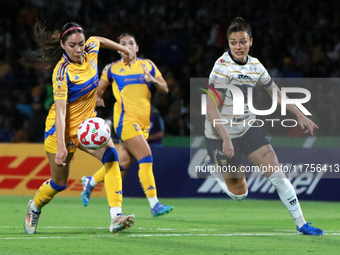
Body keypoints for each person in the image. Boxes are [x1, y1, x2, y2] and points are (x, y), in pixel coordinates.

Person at [204, 17, 324, 235]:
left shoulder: (255, 65)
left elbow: (276, 93)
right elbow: (210, 107)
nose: (237, 47)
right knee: (240, 194)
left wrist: (300, 114)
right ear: (228, 44)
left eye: (242, 42)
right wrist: (226, 137)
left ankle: (302, 224)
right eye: (233, 42)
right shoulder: (222, 68)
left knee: (277, 173)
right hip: (219, 133)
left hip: (247, 128)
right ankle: (216, 169)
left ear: (251, 41)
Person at [22, 22, 135, 234]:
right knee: (59, 183)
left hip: (87, 128)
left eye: (81, 44)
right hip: (60, 132)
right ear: (63, 46)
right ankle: (34, 206)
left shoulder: (90, 49)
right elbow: (61, 111)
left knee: (112, 157)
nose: (78, 49)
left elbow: (98, 40)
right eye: (72, 45)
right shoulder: (62, 72)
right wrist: (63, 147)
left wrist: (124, 50)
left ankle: (116, 216)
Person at [81, 33, 174, 217]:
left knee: (121, 162)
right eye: (122, 44)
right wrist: (98, 100)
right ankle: (154, 204)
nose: (127, 46)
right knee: (146, 156)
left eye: (131, 43)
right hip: (125, 120)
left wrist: (153, 80)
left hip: (144, 123)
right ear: (118, 48)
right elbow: (98, 91)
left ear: (137, 47)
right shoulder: (112, 69)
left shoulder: (147, 65)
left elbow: (165, 89)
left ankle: (90, 182)